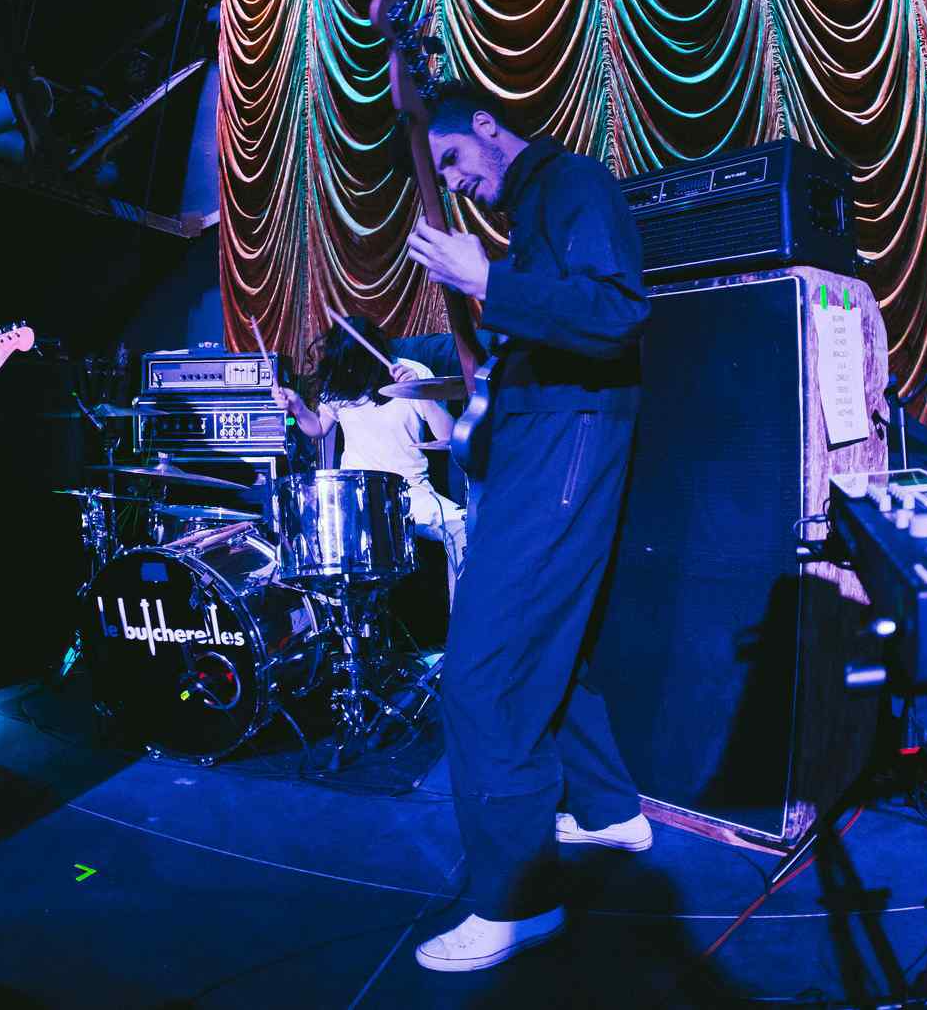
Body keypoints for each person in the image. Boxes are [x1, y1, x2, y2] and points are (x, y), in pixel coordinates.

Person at [393, 82, 653, 973]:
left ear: (489, 126)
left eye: (454, 159)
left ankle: (518, 899)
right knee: (551, 646)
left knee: (484, 668)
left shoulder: (573, 183)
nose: (453, 181)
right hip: (544, 445)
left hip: (564, 447)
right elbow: (540, 331)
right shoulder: (534, 209)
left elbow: (616, 313)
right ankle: (611, 810)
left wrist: (487, 280)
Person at [270, 314, 469, 599]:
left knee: (464, 529)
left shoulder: (413, 372)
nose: (352, 372)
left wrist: (421, 394)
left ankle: (462, 620)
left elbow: (448, 436)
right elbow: (318, 429)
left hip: (408, 492)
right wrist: (298, 407)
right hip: (354, 496)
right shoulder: (340, 381)